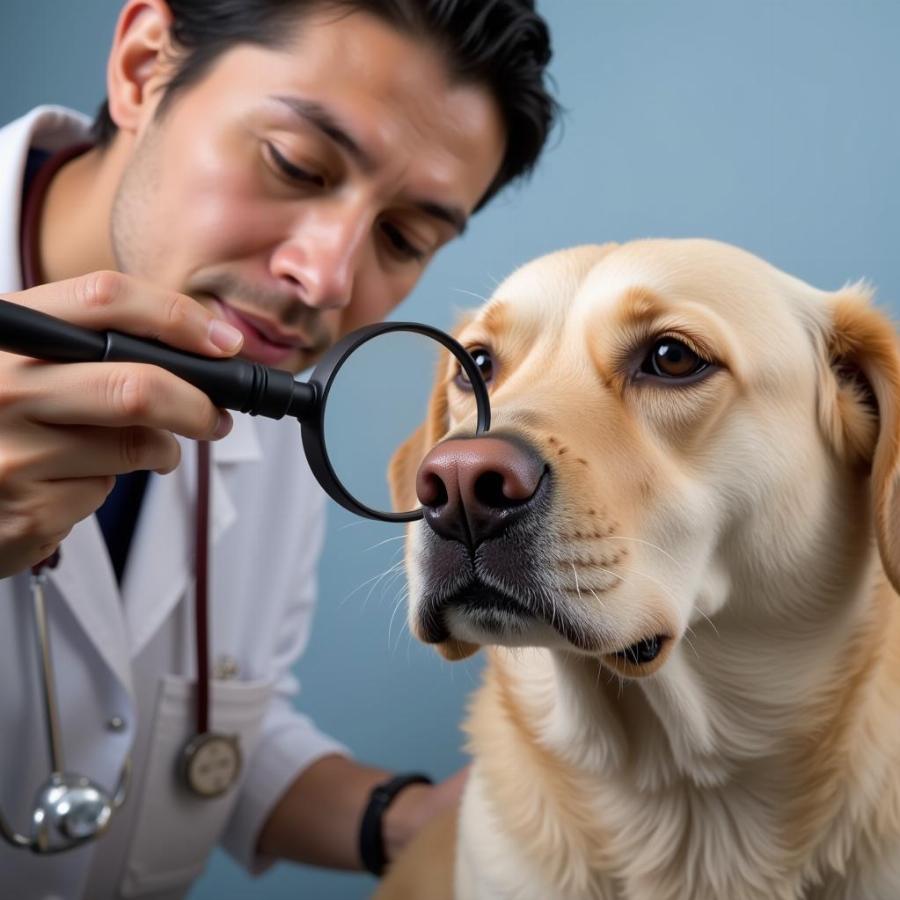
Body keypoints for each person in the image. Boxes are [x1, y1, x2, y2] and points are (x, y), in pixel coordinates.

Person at [0, 0, 556, 897]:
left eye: (402, 237)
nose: (327, 279)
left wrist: (405, 820)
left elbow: (205, 728)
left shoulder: (265, 390)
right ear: (145, 66)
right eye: (294, 164)